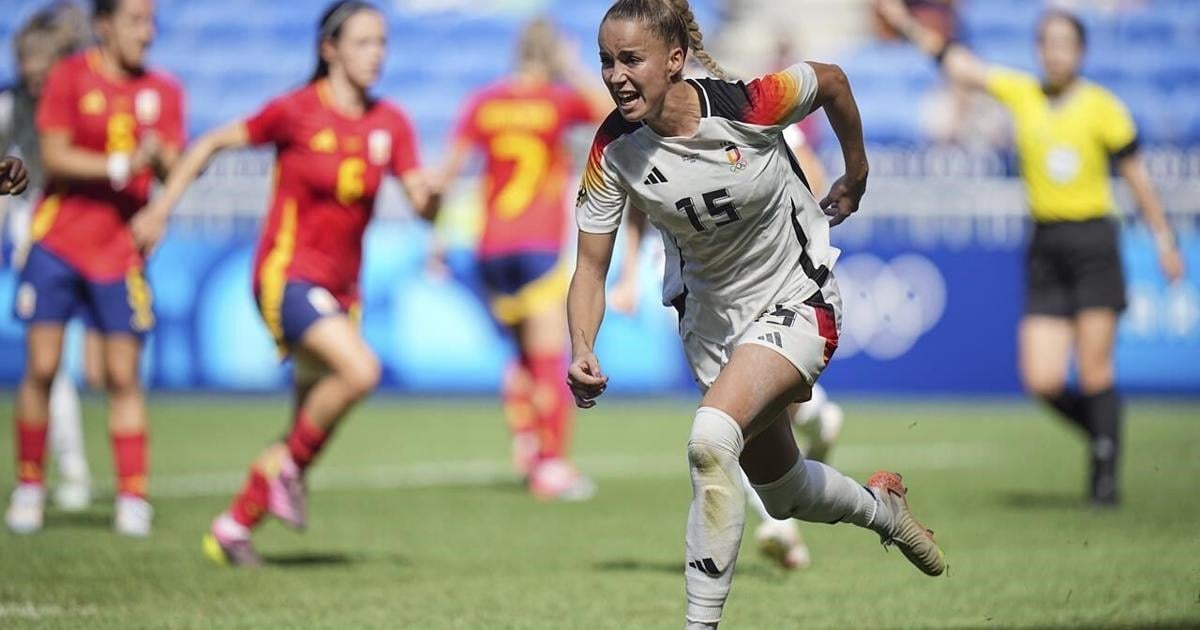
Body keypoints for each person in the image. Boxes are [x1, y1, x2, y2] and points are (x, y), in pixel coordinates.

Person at [569, 1, 946, 626]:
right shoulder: (613, 150)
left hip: (798, 297)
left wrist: (856, 173)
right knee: (784, 490)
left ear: (675, 60)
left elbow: (831, 80)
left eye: (631, 60)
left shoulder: (749, 104)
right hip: (713, 332)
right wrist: (582, 343)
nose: (615, 76)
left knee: (710, 438)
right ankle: (884, 509)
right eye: (606, 61)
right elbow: (589, 268)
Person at [136, 0, 438, 566]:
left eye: (383, 43)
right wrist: (161, 209)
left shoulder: (389, 123)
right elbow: (209, 143)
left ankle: (232, 526)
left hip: (343, 292)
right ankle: (289, 474)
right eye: (364, 42)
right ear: (330, 49)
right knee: (361, 371)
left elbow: (423, 203)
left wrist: (433, 198)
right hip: (287, 276)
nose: (377, 55)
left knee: (307, 423)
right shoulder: (296, 111)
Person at [876, 0, 1185, 506]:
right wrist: (908, 25)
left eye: (1066, 44)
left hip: (1093, 242)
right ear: (1039, 50)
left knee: (1093, 371)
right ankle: (1104, 431)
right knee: (1041, 377)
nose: (1056, 54)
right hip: (1046, 243)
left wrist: (1164, 239)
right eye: (1048, 43)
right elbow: (961, 65)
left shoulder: (1103, 106)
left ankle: (1103, 479)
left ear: (1080, 51)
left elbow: (1138, 179)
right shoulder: (1023, 93)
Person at [6, 0, 183, 537]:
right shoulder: (69, 77)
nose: (147, 33)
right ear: (104, 25)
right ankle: (31, 485)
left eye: (152, 21)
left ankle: (132, 496)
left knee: (122, 376)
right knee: (42, 368)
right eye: (135, 20)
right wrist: (119, 164)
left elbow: (178, 166)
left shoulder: (165, 91)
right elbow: (53, 157)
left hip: (120, 251)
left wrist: (160, 194)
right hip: (57, 242)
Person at [611, 203, 844, 571]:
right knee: (739, 406)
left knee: (735, 411)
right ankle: (816, 424)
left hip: (753, 270)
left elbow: (805, 175)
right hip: (691, 273)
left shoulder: (761, 142)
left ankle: (781, 518)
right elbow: (637, 196)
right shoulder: (639, 148)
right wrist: (628, 274)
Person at [439, 19, 611, 501]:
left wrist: (437, 237)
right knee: (549, 358)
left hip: (490, 247)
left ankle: (527, 441)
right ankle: (551, 466)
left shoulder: (484, 102)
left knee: (519, 358)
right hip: (537, 244)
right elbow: (611, 113)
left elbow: (449, 171)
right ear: (550, 54)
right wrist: (573, 68)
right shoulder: (555, 101)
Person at [1, 2, 96, 516]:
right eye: (28, 68)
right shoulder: (12, 105)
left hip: (87, 226)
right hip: (36, 229)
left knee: (104, 367)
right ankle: (67, 467)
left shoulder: (82, 95)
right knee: (49, 363)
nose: (35, 78)